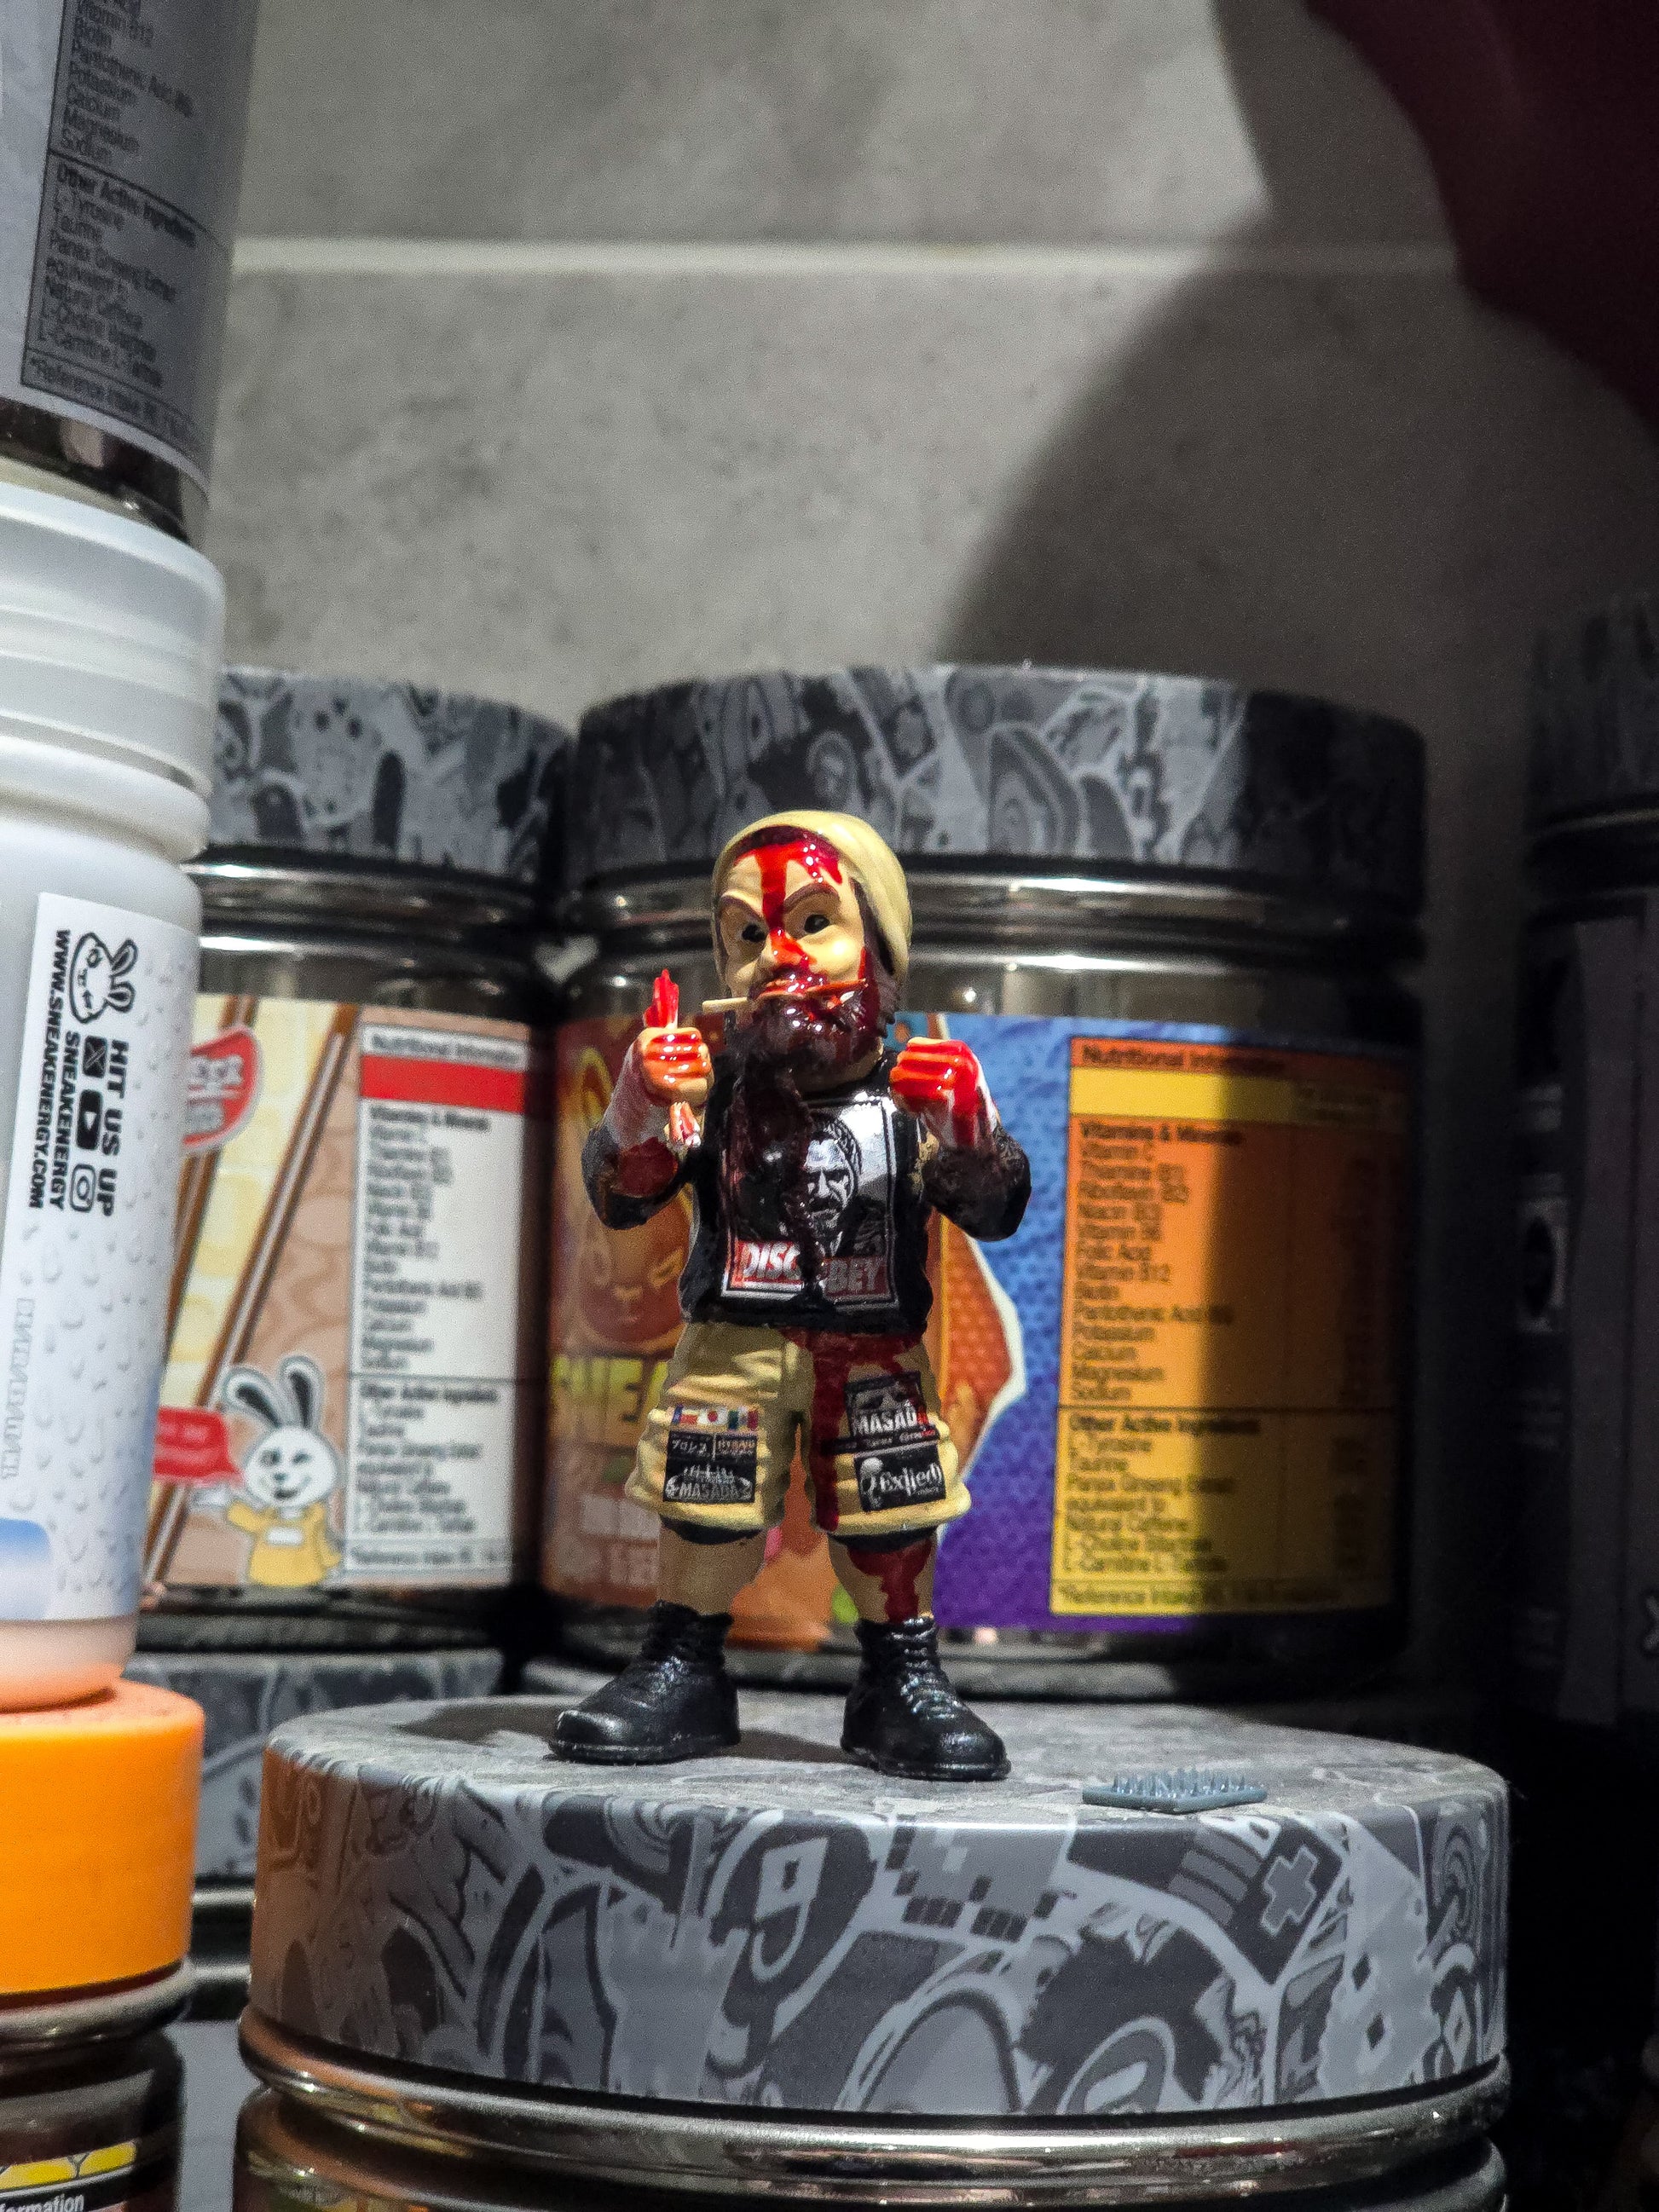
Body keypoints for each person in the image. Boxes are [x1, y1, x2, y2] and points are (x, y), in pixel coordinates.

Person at [555, 811, 1030, 1780]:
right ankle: (682, 1664)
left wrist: (972, 1132)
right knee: (703, 1490)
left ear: (881, 945)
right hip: (733, 1336)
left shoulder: (913, 1090)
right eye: (746, 934)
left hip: (873, 1341)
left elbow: (993, 1210)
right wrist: (637, 1105)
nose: (777, 957)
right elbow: (622, 1196)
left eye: (814, 922)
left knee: (893, 1502)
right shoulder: (710, 1088)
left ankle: (901, 1677)